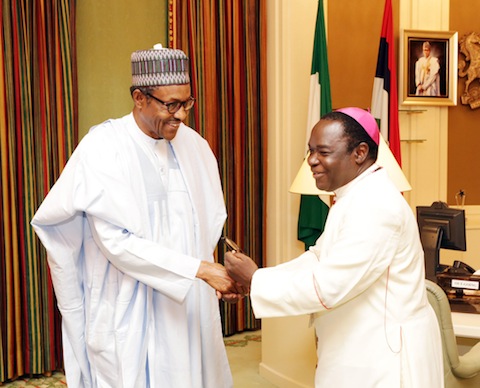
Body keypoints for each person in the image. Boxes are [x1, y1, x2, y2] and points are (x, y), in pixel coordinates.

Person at [31, 44, 242, 388]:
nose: (182, 115)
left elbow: (207, 224)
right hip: (129, 304)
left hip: (188, 302)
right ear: (139, 97)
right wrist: (201, 270)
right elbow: (116, 242)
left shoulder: (196, 146)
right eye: (170, 104)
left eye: (187, 103)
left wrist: (214, 275)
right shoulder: (104, 147)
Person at [225, 108, 443, 387]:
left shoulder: (375, 205)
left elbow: (329, 285)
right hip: (361, 345)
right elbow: (320, 257)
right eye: (310, 151)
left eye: (323, 152)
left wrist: (256, 280)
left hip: (384, 357)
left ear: (360, 153)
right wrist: (258, 279)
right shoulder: (355, 195)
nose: (312, 161)